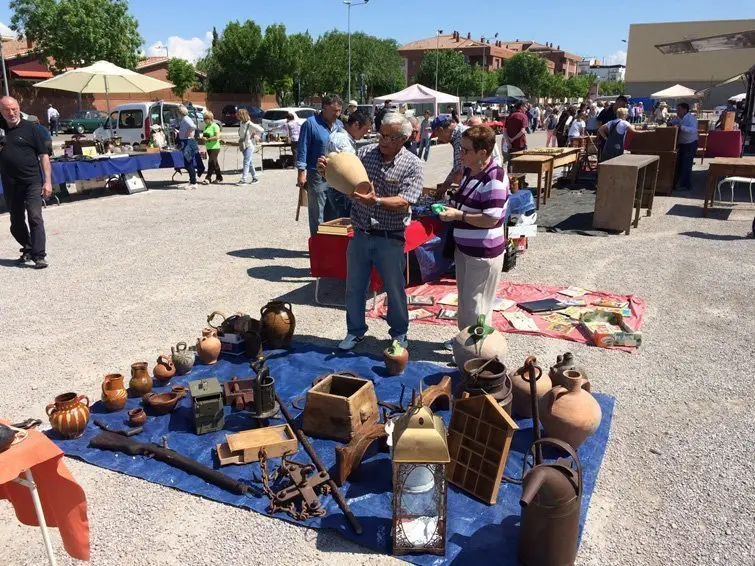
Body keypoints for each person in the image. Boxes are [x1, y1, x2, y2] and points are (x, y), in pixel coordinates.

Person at [317, 113, 423, 351]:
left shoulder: (413, 164)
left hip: (390, 236)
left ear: (404, 139)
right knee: (354, 287)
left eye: (389, 136)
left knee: (395, 289)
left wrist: (375, 201)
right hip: (361, 234)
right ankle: (355, 331)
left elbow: (405, 202)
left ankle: (399, 334)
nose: (382, 140)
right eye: (380, 133)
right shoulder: (364, 155)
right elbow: (346, 183)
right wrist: (328, 172)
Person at [437, 125, 509, 342]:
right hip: (465, 249)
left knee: (478, 304)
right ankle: (464, 340)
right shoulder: (470, 172)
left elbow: (491, 218)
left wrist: (458, 216)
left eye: (466, 150)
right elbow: (465, 203)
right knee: (466, 300)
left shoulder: (494, 178)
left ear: (483, 154)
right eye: (460, 149)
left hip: (483, 252)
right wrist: (449, 208)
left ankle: (477, 348)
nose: (461, 154)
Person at [0, 96, 53, 269]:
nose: (11, 113)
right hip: (10, 184)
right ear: (1, 111)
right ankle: (28, 246)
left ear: (19, 108)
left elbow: (44, 156)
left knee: (35, 216)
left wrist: (47, 182)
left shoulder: (31, 129)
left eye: (14, 109)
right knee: (16, 223)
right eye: (7, 109)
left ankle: (39, 256)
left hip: (31, 181)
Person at [296, 94, 343, 235]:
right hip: (316, 175)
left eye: (340, 111)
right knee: (318, 213)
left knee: (334, 211)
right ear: (325, 107)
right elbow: (303, 148)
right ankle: (317, 245)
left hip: (336, 174)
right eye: (335, 111)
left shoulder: (339, 125)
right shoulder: (310, 124)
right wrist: (301, 173)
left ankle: (330, 244)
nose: (338, 114)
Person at [325, 110, 373, 218]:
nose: (365, 134)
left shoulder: (339, 136)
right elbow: (346, 169)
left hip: (339, 189)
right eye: (365, 130)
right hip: (342, 191)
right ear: (356, 124)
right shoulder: (343, 141)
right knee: (343, 226)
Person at [669, 102, 699, 192]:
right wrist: (670, 122)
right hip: (682, 143)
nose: (677, 111)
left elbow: (693, 130)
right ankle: (679, 183)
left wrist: (681, 127)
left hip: (690, 143)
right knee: (681, 164)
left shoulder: (691, 118)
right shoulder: (679, 118)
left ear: (685, 110)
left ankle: (686, 185)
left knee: (686, 165)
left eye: (679, 109)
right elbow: (675, 122)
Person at [434, 115, 463, 195]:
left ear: (441, 130)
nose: (439, 140)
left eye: (437, 136)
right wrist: (444, 187)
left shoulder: (462, 136)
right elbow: (457, 167)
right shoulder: (456, 136)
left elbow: (460, 170)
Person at [176, 105, 199, 189]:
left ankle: (193, 183)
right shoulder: (185, 119)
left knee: (188, 163)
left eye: (177, 112)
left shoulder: (186, 119)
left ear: (180, 112)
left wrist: (189, 133)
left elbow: (193, 126)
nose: (177, 114)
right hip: (186, 141)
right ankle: (192, 181)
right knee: (188, 162)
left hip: (188, 142)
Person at [237, 108, 262, 184]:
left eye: (238, 114)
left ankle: (243, 179)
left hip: (249, 146)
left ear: (242, 115)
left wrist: (254, 134)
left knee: (246, 162)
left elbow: (261, 129)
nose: (237, 115)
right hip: (243, 145)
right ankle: (255, 178)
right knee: (249, 162)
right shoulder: (241, 123)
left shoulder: (249, 123)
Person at [201, 111, 222, 184]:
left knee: (211, 162)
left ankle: (208, 178)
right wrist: (203, 138)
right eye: (203, 119)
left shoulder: (215, 126)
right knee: (214, 163)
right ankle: (219, 177)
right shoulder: (206, 127)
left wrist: (208, 139)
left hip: (215, 147)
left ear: (210, 118)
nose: (204, 120)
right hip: (209, 147)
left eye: (205, 119)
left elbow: (217, 137)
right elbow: (205, 135)